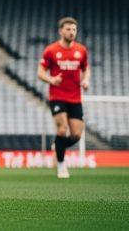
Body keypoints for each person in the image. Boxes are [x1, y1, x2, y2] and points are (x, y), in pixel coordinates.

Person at [37, 16, 89, 179]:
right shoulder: (51, 50)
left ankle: (58, 146)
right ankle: (61, 166)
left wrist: (86, 79)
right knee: (62, 129)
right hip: (57, 96)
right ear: (61, 31)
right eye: (68, 29)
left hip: (75, 97)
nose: (71, 32)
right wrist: (51, 79)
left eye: (74, 29)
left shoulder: (81, 50)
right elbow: (40, 72)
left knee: (77, 135)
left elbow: (86, 68)